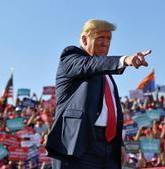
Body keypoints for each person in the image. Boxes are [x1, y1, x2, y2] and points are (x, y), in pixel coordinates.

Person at [46, 19, 151, 169]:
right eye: (100, 37)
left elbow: (110, 113)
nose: (105, 43)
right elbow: (91, 64)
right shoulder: (70, 57)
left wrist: (118, 145)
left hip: (108, 148)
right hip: (80, 144)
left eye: (109, 39)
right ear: (84, 39)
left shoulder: (107, 75)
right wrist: (124, 60)